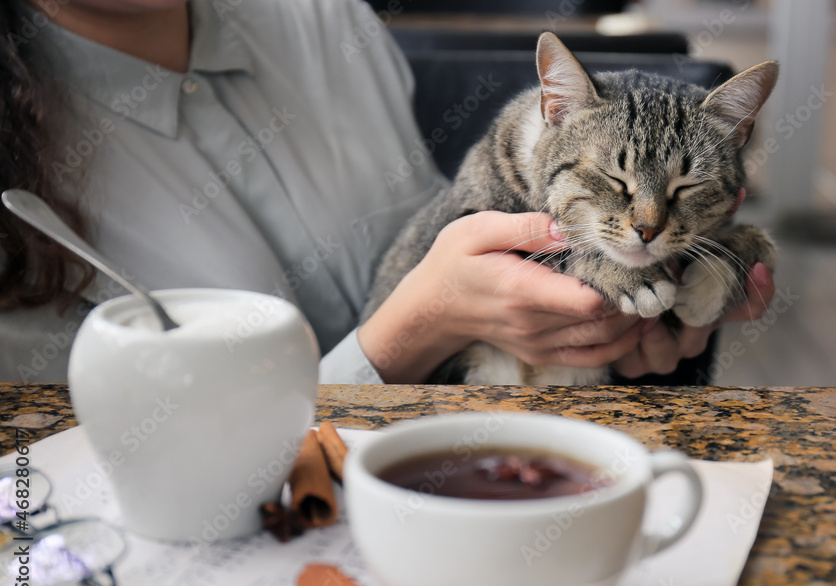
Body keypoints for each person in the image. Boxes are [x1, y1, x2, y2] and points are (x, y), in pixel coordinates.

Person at [0, 0, 774, 384]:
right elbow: (58, 496)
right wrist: (411, 331)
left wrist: (630, 335)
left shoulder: (323, 16)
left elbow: (446, 235)